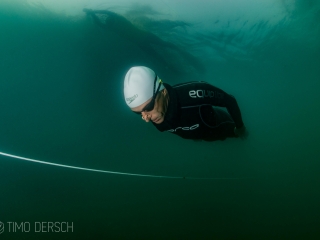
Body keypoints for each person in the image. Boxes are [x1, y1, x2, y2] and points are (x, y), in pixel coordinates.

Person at [124, 66, 248, 141]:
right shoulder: (154, 114)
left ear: (163, 92)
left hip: (224, 126)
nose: (145, 118)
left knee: (244, 136)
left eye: (149, 107)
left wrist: (240, 127)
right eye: (138, 113)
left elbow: (229, 101)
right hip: (204, 137)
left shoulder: (194, 92)